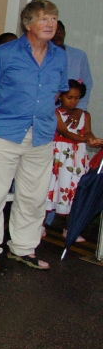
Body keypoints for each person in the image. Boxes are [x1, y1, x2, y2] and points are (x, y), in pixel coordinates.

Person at [0, 0, 68, 271]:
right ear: (28, 24)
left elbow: (59, 91)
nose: (50, 24)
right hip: (5, 132)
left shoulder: (59, 56)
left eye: (53, 18)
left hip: (41, 134)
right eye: (44, 19)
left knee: (33, 196)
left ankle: (24, 248)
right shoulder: (3, 53)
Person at [45, 80, 101, 242]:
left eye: (77, 98)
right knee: (51, 187)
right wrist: (85, 139)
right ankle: (39, 224)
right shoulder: (55, 113)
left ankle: (69, 228)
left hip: (76, 159)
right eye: (69, 97)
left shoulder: (85, 115)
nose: (73, 101)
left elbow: (88, 132)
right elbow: (65, 133)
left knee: (74, 191)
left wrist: (92, 139)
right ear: (60, 96)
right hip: (60, 158)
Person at [52, 21, 92, 111]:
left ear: (64, 33)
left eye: (59, 30)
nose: (57, 34)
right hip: (47, 112)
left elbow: (87, 83)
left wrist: (79, 108)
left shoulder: (79, 56)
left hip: (73, 111)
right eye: (53, 31)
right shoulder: (40, 56)